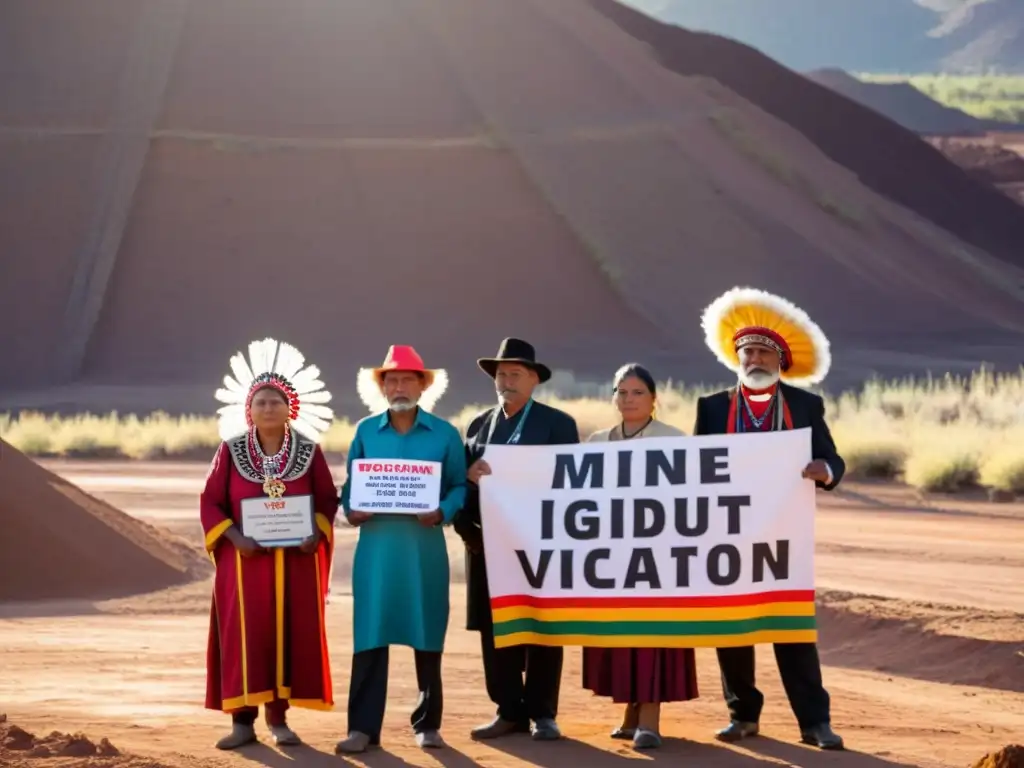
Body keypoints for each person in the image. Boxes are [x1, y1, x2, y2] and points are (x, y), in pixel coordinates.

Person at [693, 287, 845, 751]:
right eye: (746, 352)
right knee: (732, 628)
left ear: (780, 360)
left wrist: (826, 472)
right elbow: (697, 469)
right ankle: (742, 715)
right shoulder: (713, 407)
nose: (754, 358)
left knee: (792, 629)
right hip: (727, 534)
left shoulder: (804, 406)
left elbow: (832, 459)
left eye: (763, 351)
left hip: (784, 537)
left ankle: (814, 722)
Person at [200, 338, 339, 750]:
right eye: (260, 402)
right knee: (244, 635)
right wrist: (235, 537)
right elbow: (210, 500)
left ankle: (279, 721)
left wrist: (315, 532)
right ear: (249, 409)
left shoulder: (309, 452)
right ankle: (242, 722)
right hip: (244, 563)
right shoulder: (230, 450)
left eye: (275, 401)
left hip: (294, 564)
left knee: (285, 635)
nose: (267, 408)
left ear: (290, 407)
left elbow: (327, 499)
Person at [335, 345, 467, 754]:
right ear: (381, 386)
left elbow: (460, 485)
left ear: (423, 385)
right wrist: (349, 511)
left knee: (427, 630)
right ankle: (362, 728)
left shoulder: (445, 434)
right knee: (370, 633)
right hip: (375, 549)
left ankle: (428, 724)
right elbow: (350, 486)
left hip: (423, 548)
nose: (398, 386)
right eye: (390, 379)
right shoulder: (364, 431)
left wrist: (443, 510)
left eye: (407, 379)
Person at [453, 337, 580, 742]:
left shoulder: (557, 424)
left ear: (533, 380)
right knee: (496, 627)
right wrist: (468, 493)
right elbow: (459, 483)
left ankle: (543, 712)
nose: (505, 380)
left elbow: (573, 482)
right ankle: (508, 709)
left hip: (540, 542)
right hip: (486, 543)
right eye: (500, 374)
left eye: (515, 373)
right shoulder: (477, 424)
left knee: (542, 624)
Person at [581, 363, 699, 750]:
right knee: (622, 636)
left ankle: (651, 719)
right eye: (622, 392)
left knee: (653, 636)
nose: (629, 399)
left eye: (638, 393)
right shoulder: (597, 442)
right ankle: (630, 715)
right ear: (613, 397)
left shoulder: (674, 439)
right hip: (612, 559)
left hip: (658, 560)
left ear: (654, 400)